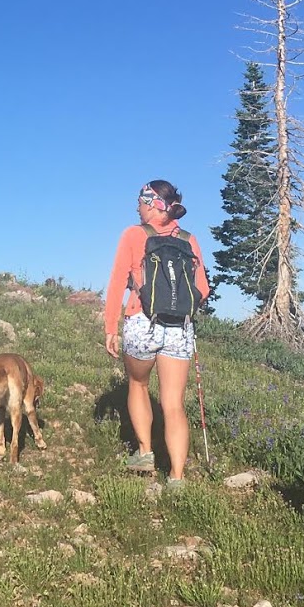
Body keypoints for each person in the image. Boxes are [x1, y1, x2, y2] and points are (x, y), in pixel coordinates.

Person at [104, 180, 211, 489]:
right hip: (179, 328)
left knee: (138, 384)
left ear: (150, 203)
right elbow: (201, 289)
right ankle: (177, 477)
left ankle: (145, 453)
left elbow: (115, 282)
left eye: (139, 202)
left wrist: (111, 327)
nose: (136, 208)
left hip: (142, 321)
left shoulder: (134, 235)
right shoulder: (189, 239)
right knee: (174, 403)